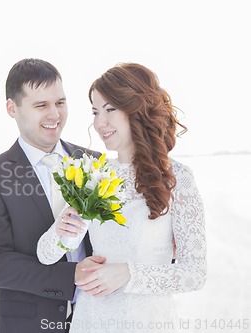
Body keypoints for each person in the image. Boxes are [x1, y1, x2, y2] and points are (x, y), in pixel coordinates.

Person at [37, 63, 207, 332]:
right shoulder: (95, 176)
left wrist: (128, 274)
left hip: (148, 322)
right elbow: (45, 255)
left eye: (110, 109)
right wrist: (62, 231)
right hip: (91, 319)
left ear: (136, 109)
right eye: (95, 111)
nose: (99, 122)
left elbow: (194, 274)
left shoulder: (177, 179)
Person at [0, 58, 102, 333]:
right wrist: (70, 277)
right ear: (12, 108)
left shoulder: (95, 162)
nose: (54, 114)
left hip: (98, 319)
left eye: (60, 103)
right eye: (41, 105)